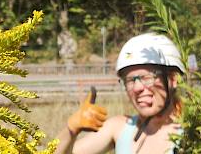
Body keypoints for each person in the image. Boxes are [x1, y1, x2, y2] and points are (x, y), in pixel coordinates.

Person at [53, 33, 184, 154]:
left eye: (147, 77)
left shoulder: (194, 132)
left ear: (172, 79)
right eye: (130, 80)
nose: (137, 87)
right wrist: (71, 129)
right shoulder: (121, 128)